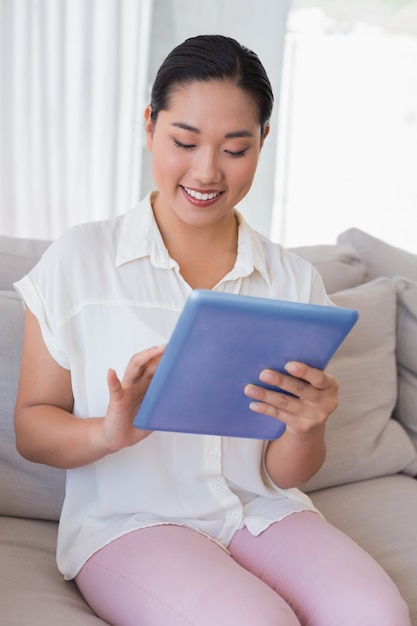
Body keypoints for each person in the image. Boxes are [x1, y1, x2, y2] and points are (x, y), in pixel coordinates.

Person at [14, 34, 410, 626]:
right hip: (132, 524)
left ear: (263, 144)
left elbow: (284, 473)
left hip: (265, 512)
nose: (206, 171)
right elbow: (31, 427)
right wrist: (109, 433)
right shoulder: (80, 260)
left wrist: (308, 426)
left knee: (375, 614)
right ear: (149, 126)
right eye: (184, 141)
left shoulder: (293, 281)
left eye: (235, 148)